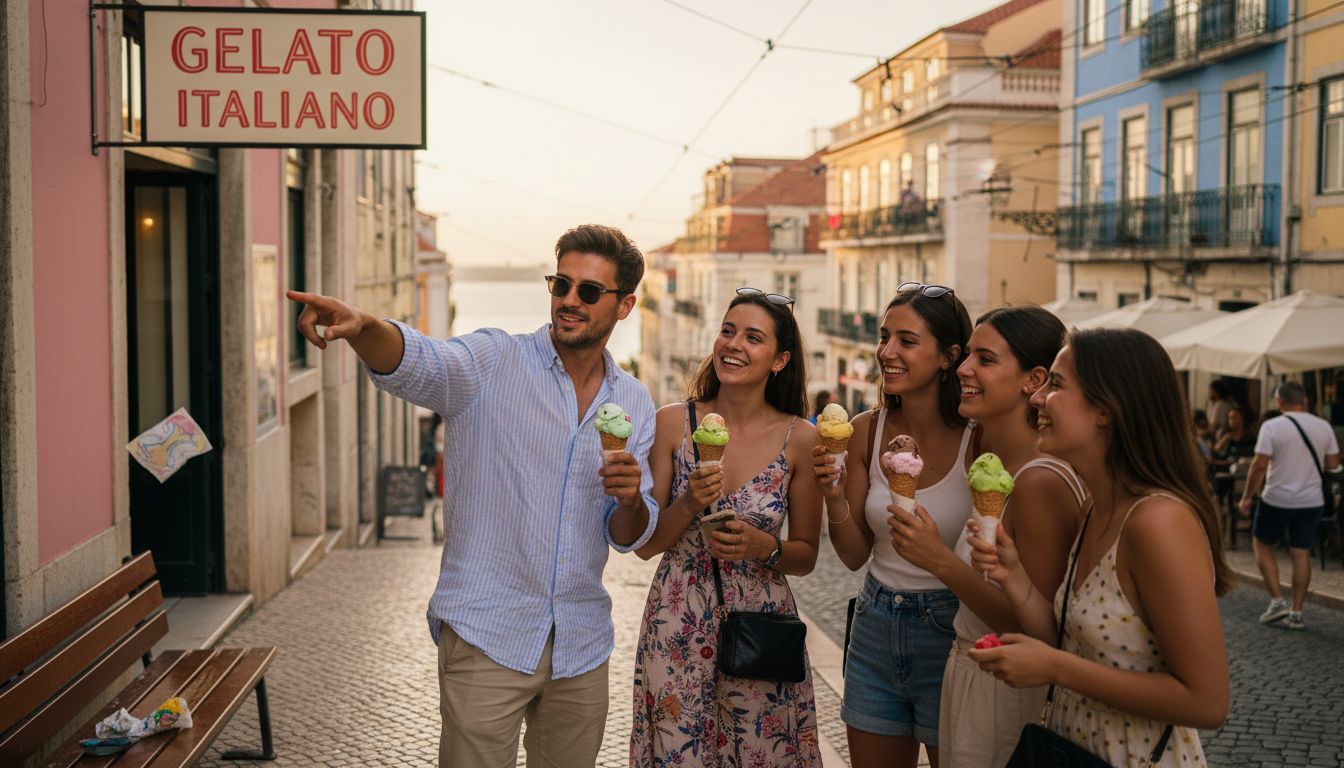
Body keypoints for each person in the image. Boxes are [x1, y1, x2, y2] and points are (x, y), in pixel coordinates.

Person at [288, 224, 659, 768]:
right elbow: (419, 361)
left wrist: (631, 501)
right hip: (487, 632)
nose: (569, 302)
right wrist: (364, 327)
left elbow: (626, 538)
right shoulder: (492, 361)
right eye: (561, 285)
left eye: (588, 291)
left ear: (624, 306)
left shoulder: (633, 401)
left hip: (581, 644)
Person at [968, 328, 1234, 766]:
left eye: (1056, 384)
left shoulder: (1157, 522)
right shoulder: (1096, 506)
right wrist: (1011, 576)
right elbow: (1069, 642)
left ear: (1106, 409)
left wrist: (1055, 669)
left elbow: (1208, 702)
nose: (1037, 398)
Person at [630, 287, 824, 766]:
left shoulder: (800, 439)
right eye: (728, 331)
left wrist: (763, 545)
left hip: (761, 625)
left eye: (752, 337)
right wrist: (688, 502)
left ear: (779, 360)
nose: (733, 344)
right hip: (677, 624)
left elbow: (806, 555)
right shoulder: (674, 423)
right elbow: (646, 546)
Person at [886, 307, 1084, 767]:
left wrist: (939, 560)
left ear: (1034, 379)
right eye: (967, 354)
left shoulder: (1038, 482)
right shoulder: (993, 460)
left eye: (985, 358)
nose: (963, 369)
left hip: (1009, 698)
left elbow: (1042, 633)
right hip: (975, 682)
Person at [811, 282, 973, 768]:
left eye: (906, 340)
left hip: (953, 634)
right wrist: (834, 494)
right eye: (885, 337)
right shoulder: (865, 430)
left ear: (949, 356)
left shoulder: (979, 438)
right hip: (875, 624)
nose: (886, 352)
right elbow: (855, 554)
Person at [1239, 381, 1341, 630]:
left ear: (1280, 402)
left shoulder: (1272, 426)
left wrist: (1247, 496)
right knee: (1301, 552)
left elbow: (1259, 466)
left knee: (1262, 543)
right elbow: (1332, 463)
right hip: (1311, 500)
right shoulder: (1323, 426)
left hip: (1277, 498)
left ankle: (1276, 601)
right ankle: (1296, 612)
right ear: (1304, 400)